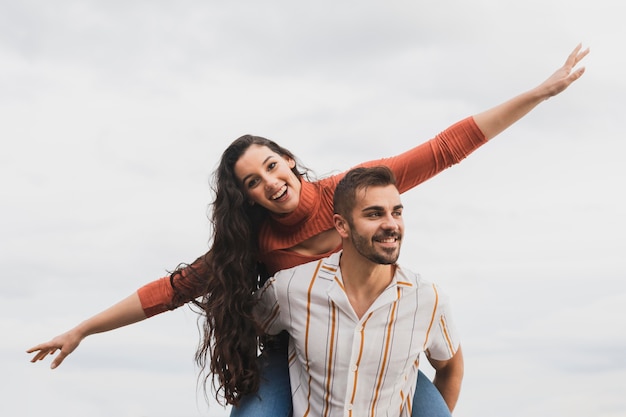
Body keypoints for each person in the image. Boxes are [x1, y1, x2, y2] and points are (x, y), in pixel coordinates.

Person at [27, 45, 588, 417]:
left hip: (368, 344)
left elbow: (445, 148)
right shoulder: (247, 244)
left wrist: (537, 94)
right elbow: (170, 291)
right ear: (243, 197)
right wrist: (82, 330)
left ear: (290, 161)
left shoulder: (349, 192)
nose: (269, 183)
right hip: (294, 345)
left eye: (272, 166)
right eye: (251, 182)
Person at [255, 165, 464, 416]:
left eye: (396, 213)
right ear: (341, 226)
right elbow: (243, 328)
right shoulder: (291, 289)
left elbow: (451, 368)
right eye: (374, 214)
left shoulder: (427, 300)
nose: (391, 225)